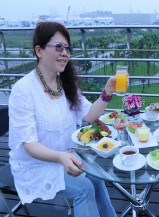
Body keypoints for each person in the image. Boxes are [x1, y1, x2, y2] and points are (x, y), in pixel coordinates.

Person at [8, 21, 117, 217]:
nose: (65, 52)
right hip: (37, 165)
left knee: (98, 179)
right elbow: (30, 146)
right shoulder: (23, 90)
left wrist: (107, 93)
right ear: (39, 51)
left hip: (66, 157)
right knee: (84, 187)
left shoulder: (65, 83)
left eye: (67, 48)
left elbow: (89, 116)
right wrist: (60, 157)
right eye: (58, 47)